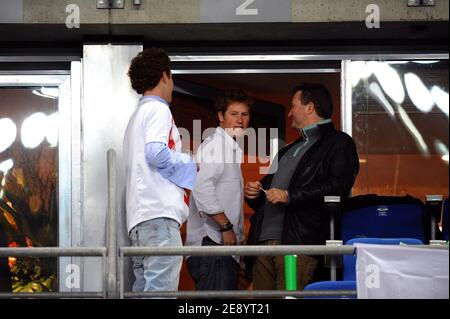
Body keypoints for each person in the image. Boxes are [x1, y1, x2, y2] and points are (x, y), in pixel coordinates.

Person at [244, 83, 359, 291]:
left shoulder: (339, 142)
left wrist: (290, 196)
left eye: (293, 105)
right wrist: (253, 194)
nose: (289, 113)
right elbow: (267, 191)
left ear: (309, 107)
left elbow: (338, 187)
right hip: (263, 242)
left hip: (297, 243)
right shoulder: (288, 149)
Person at [124, 48, 197, 293]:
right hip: (159, 220)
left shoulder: (136, 116)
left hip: (140, 221)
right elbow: (155, 152)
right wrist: (188, 163)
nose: (173, 84)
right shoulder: (158, 109)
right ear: (165, 75)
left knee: (145, 291)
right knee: (160, 294)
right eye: (172, 77)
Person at [185, 90, 252, 290]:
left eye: (245, 114)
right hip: (212, 245)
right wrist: (225, 226)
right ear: (221, 117)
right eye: (234, 114)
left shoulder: (229, 148)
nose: (240, 120)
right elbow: (201, 186)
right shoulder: (217, 145)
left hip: (219, 248)